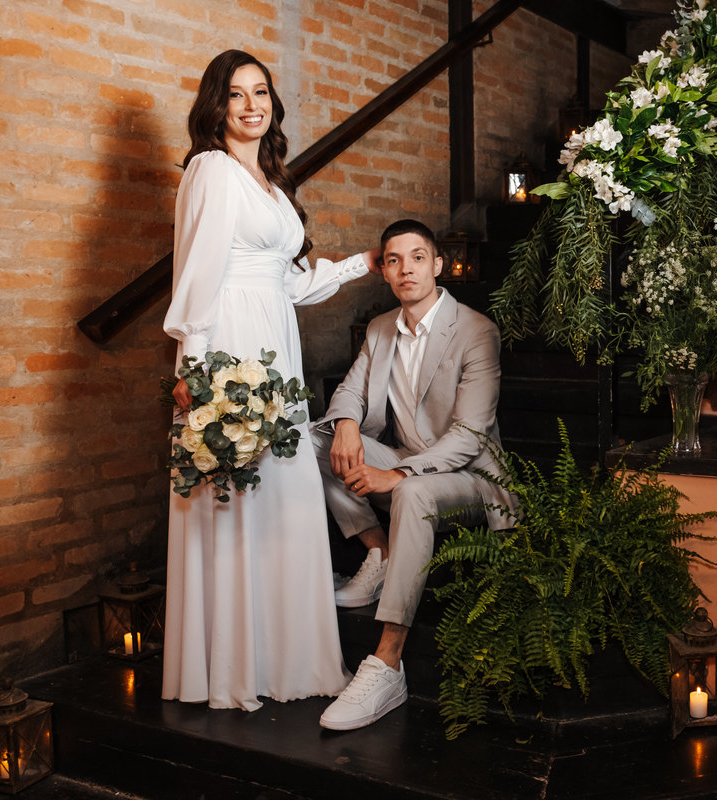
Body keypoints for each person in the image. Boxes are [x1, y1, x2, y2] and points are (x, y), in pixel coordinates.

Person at [162, 50, 378, 711]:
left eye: (261, 92)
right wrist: (194, 372)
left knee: (279, 490)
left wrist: (357, 266)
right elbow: (198, 273)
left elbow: (285, 281)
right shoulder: (210, 170)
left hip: (276, 340)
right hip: (231, 343)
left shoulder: (271, 186)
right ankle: (231, 666)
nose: (252, 105)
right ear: (216, 106)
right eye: (236, 95)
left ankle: (283, 653)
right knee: (235, 490)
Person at [311, 219, 514, 731]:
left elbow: (469, 437)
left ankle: (387, 662)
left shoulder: (476, 330)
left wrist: (398, 473)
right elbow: (350, 391)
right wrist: (348, 426)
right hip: (405, 464)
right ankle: (378, 551)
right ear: (385, 272)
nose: (406, 269)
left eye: (417, 257)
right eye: (394, 260)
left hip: (471, 479)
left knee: (415, 495)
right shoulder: (381, 329)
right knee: (310, 437)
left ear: (438, 265)